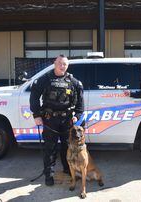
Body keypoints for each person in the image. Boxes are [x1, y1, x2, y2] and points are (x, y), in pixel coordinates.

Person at [30, 55, 84, 186]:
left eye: (65, 64)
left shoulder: (73, 81)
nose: (62, 66)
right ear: (55, 63)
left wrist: (77, 114)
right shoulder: (46, 79)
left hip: (67, 121)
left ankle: (67, 169)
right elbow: (34, 96)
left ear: (67, 65)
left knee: (67, 147)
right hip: (50, 120)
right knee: (50, 148)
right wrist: (36, 115)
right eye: (60, 63)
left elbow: (80, 101)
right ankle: (49, 175)